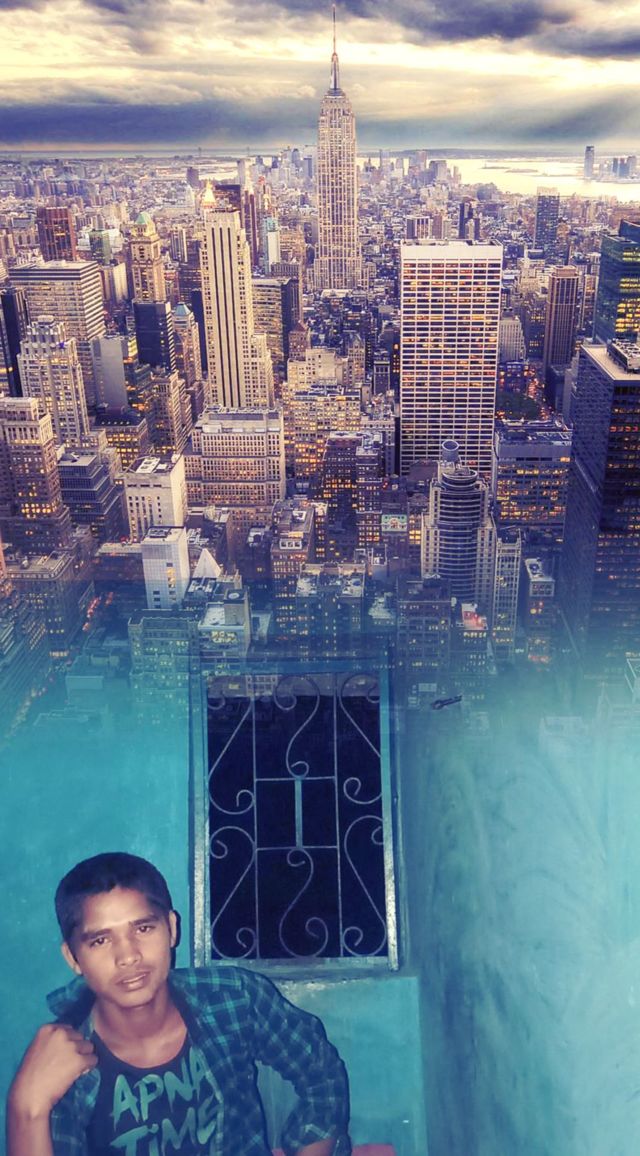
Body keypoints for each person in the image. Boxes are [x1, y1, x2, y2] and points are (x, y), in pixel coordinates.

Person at [7, 852, 351, 1156]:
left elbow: (321, 1075)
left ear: (171, 929)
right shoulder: (59, 1061)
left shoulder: (232, 998)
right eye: (100, 940)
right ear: (73, 958)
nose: (128, 956)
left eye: (143, 928)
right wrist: (25, 1107)